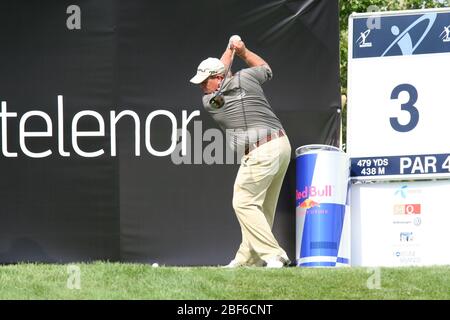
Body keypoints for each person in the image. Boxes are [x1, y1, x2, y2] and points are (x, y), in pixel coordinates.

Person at [190, 36, 291, 268]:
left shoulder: (214, 97)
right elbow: (265, 69)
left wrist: (235, 51)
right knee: (261, 208)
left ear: (217, 78)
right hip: (281, 145)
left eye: (205, 81)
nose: (202, 87)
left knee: (243, 202)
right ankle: (247, 259)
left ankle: (275, 255)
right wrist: (241, 51)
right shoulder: (214, 98)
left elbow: (225, 71)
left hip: (261, 152)